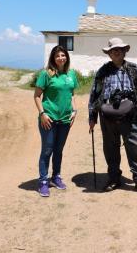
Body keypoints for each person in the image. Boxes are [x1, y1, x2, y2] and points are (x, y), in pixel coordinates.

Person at [88, 37, 137, 196]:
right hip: (107, 116)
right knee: (110, 149)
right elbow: (94, 94)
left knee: (135, 148)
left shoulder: (133, 69)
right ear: (109, 53)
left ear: (124, 51)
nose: (116, 52)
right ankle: (114, 178)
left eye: (119, 49)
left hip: (129, 115)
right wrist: (92, 117)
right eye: (113, 50)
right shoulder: (102, 72)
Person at [34, 45, 79, 197]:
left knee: (58, 150)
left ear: (66, 57)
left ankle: (56, 177)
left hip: (65, 119)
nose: (61, 58)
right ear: (53, 58)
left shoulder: (71, 74)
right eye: (58, 56)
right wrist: (42, 114)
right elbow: (37, 96)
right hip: (49, 118)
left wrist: (74, 110)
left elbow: (72, 93)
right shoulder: (46, 74)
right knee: (47, 150)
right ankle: (43, 181)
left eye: (63, 55)